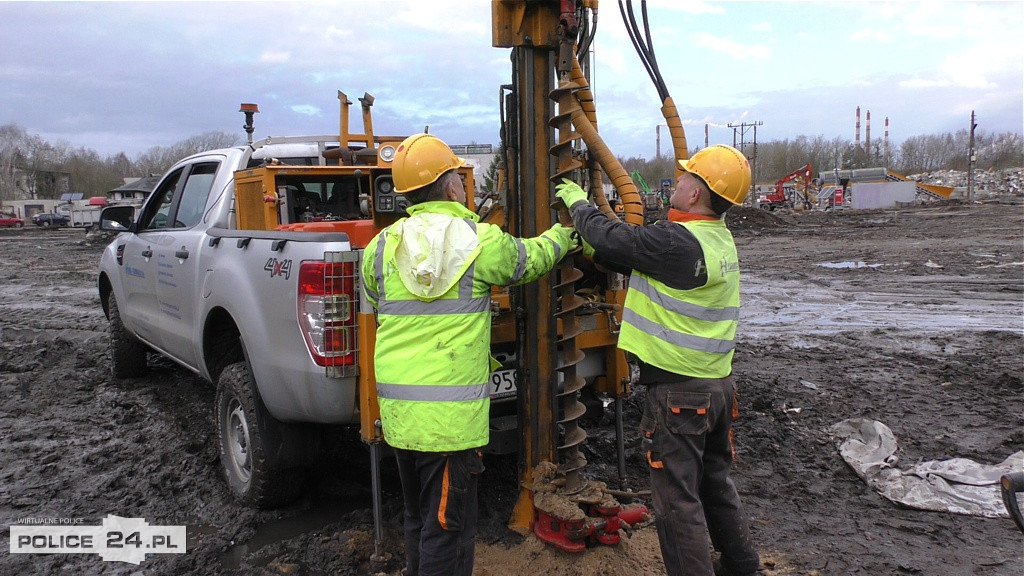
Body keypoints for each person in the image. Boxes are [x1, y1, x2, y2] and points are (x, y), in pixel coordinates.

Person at [361, 133, 574, 576]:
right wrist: (564, 235)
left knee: (419, 518)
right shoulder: (477, 240)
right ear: (450, 186)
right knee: (448, 530)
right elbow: (528, 260)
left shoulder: (380, 248)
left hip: (400, 416)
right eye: (458, 176)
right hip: (449, 425)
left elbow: (379, 303)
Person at [555, 144, 761, 576]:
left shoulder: (677, 242)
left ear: (694, 195)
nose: (678, 178)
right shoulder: (714, 239)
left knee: (676, 502)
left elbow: (612, 238)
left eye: (686, 176)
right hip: (717, 388)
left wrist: (576, 203)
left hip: (681, 395)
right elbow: (627, 253)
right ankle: (743, 567)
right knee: (715, 484)